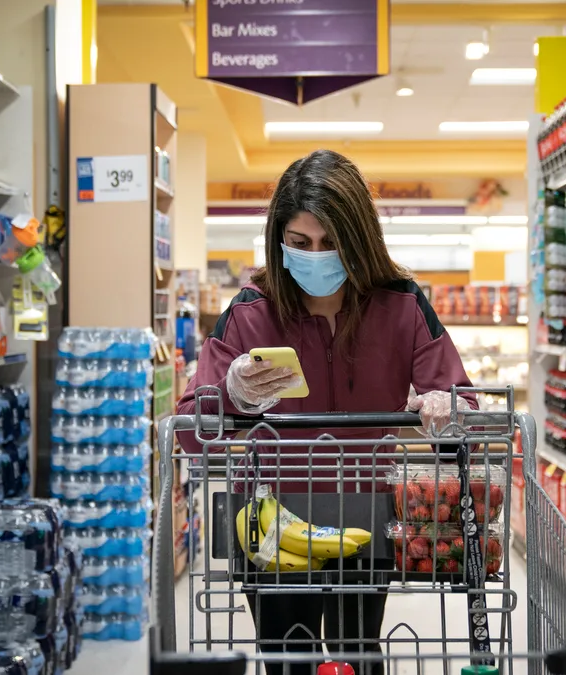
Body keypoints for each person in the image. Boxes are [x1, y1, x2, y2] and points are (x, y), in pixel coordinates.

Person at [175, 149, 477, 675]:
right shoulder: (250, 311)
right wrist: (232, 394)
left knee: (356, 657)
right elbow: (191, 431)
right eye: (300, 244)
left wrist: (443, 408)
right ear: (280, 242)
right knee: (287, 659)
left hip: (366, 512)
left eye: (332, 243)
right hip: (270, 515)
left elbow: (462, 403)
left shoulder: (401, 304)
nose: (316, 255)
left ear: (358, 239)